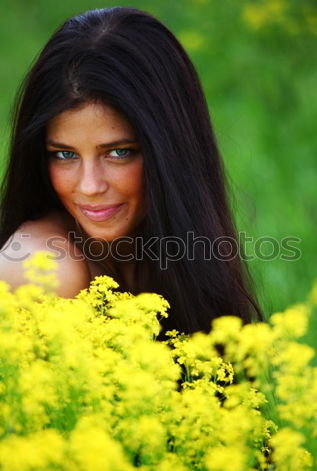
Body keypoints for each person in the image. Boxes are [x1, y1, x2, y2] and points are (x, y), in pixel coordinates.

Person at [0, 6, 263, 336]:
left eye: (119, 152)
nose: (90, 186)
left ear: (169, 152)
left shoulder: (172, 253)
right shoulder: (41, 271)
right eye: (64, 154)